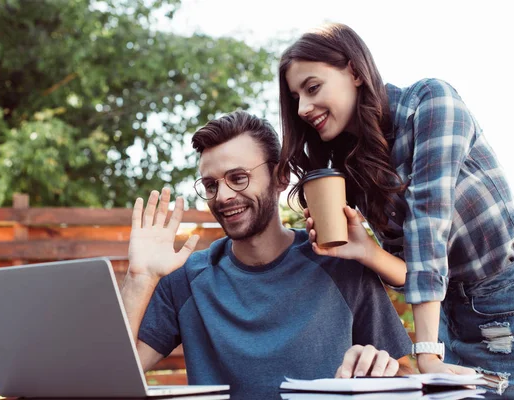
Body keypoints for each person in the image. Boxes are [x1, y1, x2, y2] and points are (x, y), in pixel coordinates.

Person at [277, 22, 514, 398]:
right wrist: (367, 251)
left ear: (354, 71)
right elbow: (413, 271)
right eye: (296, 97)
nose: (302, 108)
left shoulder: (431, 103)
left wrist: (426, 351)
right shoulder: (358, 162)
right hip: (448, 322)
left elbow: (429, 225)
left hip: (512, 317)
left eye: (312, 88)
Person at [120, 110, 413, 399]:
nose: (222, 196)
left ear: (281, 176)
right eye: (211, 185)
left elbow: (404, 373)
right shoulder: (186, 280)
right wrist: (139, 277)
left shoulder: (341, 266)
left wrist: (377, 368)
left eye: (238, 177)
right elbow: (115, 375)